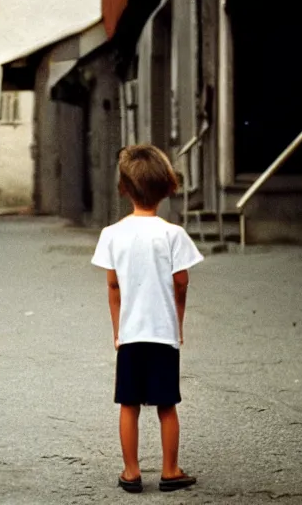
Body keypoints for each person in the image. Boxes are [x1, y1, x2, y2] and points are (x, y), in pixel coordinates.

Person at [91, 144, 204, 493]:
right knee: (167, 404)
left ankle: (131, 471)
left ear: (124, 188)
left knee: (129, 403)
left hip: (131, 334)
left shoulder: (111, 235)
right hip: (162, 334)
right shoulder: (174, 235)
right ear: (167, 188)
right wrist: (178, 323)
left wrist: (117, 331)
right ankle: (170, 470)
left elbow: (113, 286)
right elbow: (181, 283)